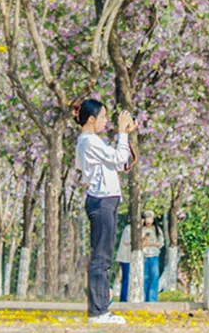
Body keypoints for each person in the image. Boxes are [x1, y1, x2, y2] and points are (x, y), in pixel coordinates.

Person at [75, 97, 136, 326]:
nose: (106, 121)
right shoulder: (89, 141)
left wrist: (124, 135)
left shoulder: (91, 142)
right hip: (101, 200)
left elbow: (119, 163)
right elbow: (119, 158)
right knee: (101, 258)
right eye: (103, 117)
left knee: (103, 256)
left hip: (105, 200)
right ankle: (98, 312)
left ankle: (100, 308)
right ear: (91, 119)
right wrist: (122, 133)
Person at [141, 210, 163, 302]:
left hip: (154, 256)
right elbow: (139, 244)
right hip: (144, 256)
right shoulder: (141, 229)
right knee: (145, 278)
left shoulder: (157, 230)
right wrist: (144, 239)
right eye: (147, 218)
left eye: (150, 218)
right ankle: (144, 299)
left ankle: (152, 299)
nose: (148, 221)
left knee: (154, 277)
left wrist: (151, 244)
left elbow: (160, 243)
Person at [115, 223, 131, 302]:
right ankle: (123, 298)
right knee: (126, 278)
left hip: (132, 258)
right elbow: (126, 241)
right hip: (125, 258)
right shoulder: (128, 228)